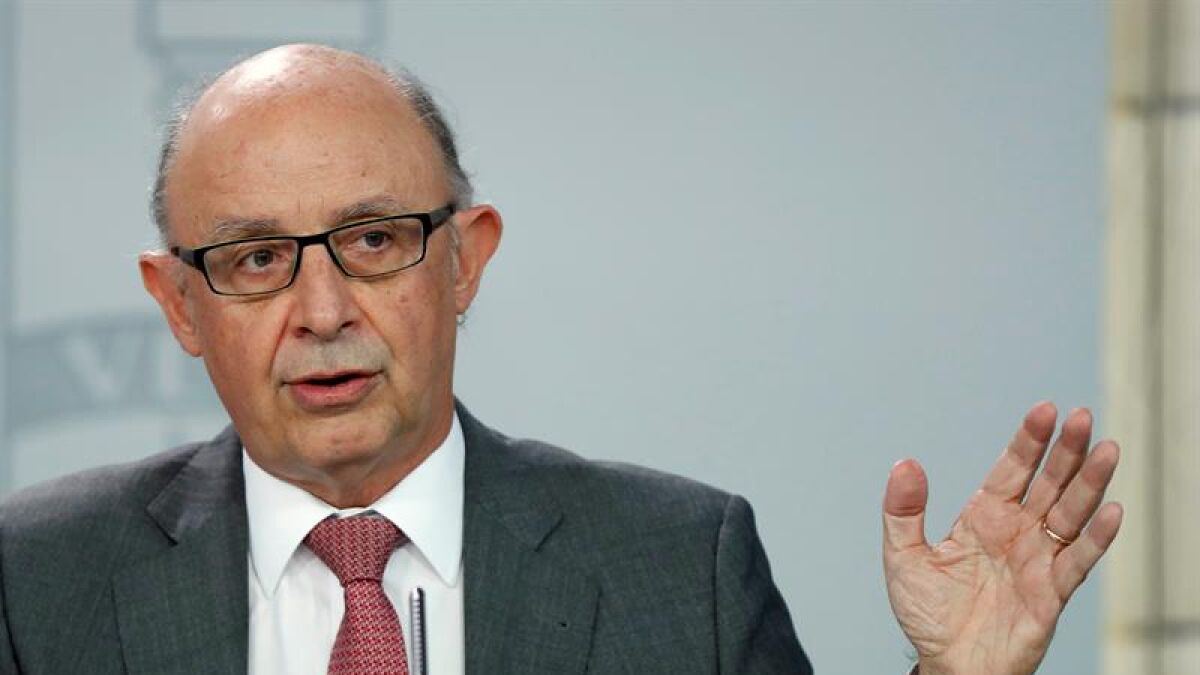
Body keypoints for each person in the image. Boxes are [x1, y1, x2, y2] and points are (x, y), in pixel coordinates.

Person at [0, 44, 1122, 675]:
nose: (323, 309)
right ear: (180, 304)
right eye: (256, 259)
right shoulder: (35, 580)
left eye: (375, 240)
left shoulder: (679, 567)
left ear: (466, 260)